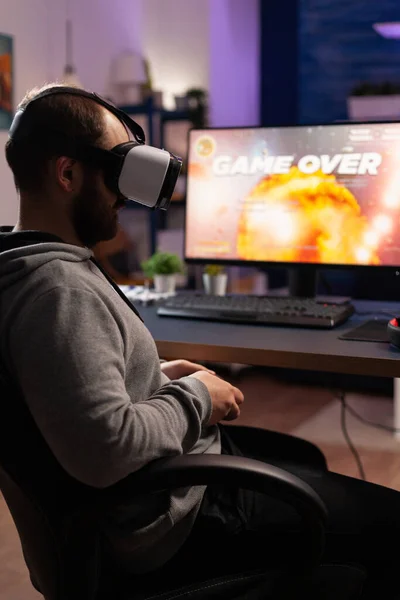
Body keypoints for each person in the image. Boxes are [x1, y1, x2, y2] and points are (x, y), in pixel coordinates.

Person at [0, 83, 399, 599]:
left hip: (160, 495)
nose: (124, 195)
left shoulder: (26, 268)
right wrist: (197, 398)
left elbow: (62, 389)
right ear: (68, 173)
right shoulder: (58, 290)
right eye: (117, 171)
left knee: (301, 457)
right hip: (171, 524)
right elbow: (105, 449)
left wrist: (156, 378)